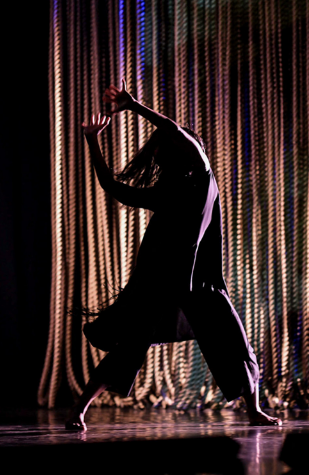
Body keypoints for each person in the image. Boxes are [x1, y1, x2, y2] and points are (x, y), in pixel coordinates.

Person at [65, 79, 281, 430]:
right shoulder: (165, 192)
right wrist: (92, 140)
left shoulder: (203, 174)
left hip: (200, 282)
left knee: (233, 340)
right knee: (130, 346)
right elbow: (112, 187)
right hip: (161, 281)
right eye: (159, 149)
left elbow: (175, 130)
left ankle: (254, 409)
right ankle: (79, 408)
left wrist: (134, 106)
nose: (159, 151)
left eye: (164, 146)